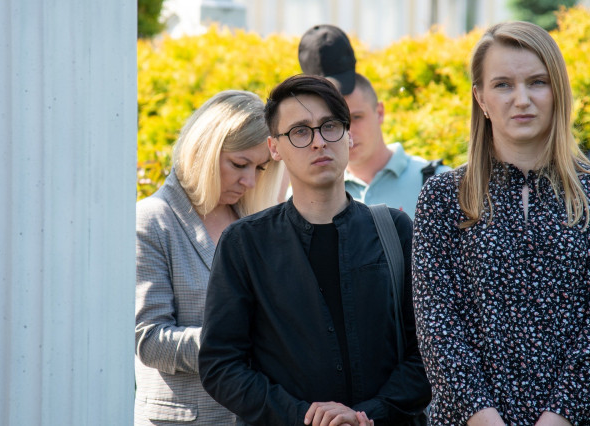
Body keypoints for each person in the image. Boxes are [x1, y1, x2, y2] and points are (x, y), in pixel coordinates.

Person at [413, 21, 590, 425]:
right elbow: (438, 325)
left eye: (537, 82)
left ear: (557, 90)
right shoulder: (442, 198)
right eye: (503, 85)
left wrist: (558, 417)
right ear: (481, 98)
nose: (522, 99)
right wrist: (483, 417)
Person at [199, 75, 431, 426]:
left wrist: (369, 413)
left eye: (330, 126)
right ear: (274, 148)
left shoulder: (395, 231)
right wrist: (305, 416)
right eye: (300, 132)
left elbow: (430, 350)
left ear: (348, 134)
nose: (319, 141)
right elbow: (221, 365)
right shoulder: (245, 244)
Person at [135, 90, 283, 425]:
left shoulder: (254, 223)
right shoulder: (151, 220)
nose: (250, 181)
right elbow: (149, 339)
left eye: (260, 168)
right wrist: (237, 340)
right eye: (239, 164)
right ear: (204, 148)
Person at [298, 24, 450, 218]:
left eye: (356, 117)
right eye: (331, 124)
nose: (348, 132)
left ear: (380, 112)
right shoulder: (306, 195)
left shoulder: (436, 181)